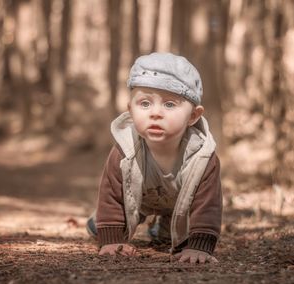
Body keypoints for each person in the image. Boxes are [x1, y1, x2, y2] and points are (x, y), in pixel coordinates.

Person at [87, 52, 222, 264]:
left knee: (172, 237)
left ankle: (163, 227)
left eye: (169, 104)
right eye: (145, 103)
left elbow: (207, 204)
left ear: (193, 116)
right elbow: (111, 193)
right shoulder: (125, 149)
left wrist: (200, 247)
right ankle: (99, 223)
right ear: (130, 110)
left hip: (181, 203)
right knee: (102, 227)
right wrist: (110, 238)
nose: (155, 113)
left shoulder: (202, 157)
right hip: (137, 200)